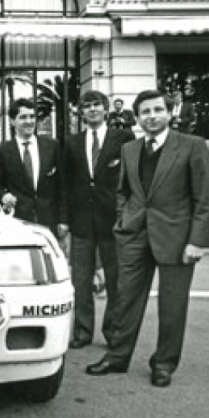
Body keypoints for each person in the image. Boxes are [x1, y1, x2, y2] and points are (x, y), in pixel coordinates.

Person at [86, 90, 209, 388]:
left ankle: (164, 364)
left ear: (169, 113)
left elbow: (204, 199)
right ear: (138, 117)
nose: (152, 116)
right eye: (145, 112)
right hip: (134, 235)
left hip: (177, 238)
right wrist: (123, 221)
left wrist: (197, 241)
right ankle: (118, 356)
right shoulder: (130, 149)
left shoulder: (191, 146)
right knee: (125, 299)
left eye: (158, 110)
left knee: (172, 305)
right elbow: (124, 192)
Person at [64, 91, 135, 349]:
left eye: (97, 105)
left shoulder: (124, 139)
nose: (92, 109)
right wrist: (66, 219)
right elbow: (67, 184)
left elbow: (131, 179)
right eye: (87, 106)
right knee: (81, 281)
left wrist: (128, 215)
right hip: (81, 221)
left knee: (116, 280)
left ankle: (114, 331)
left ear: (106, 110)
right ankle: (82, 332)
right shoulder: (71, 143)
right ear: (81, 112)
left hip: (113, 221)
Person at [0, 98, 68, 238]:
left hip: (48, 222)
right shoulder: (3, 151)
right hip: (18, 221)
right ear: (12, 121)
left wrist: (63, 220)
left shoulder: (52, 147)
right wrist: (4, 196)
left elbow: (62, 186)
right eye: (23, 117)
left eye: (32, 117)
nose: (29, 121)